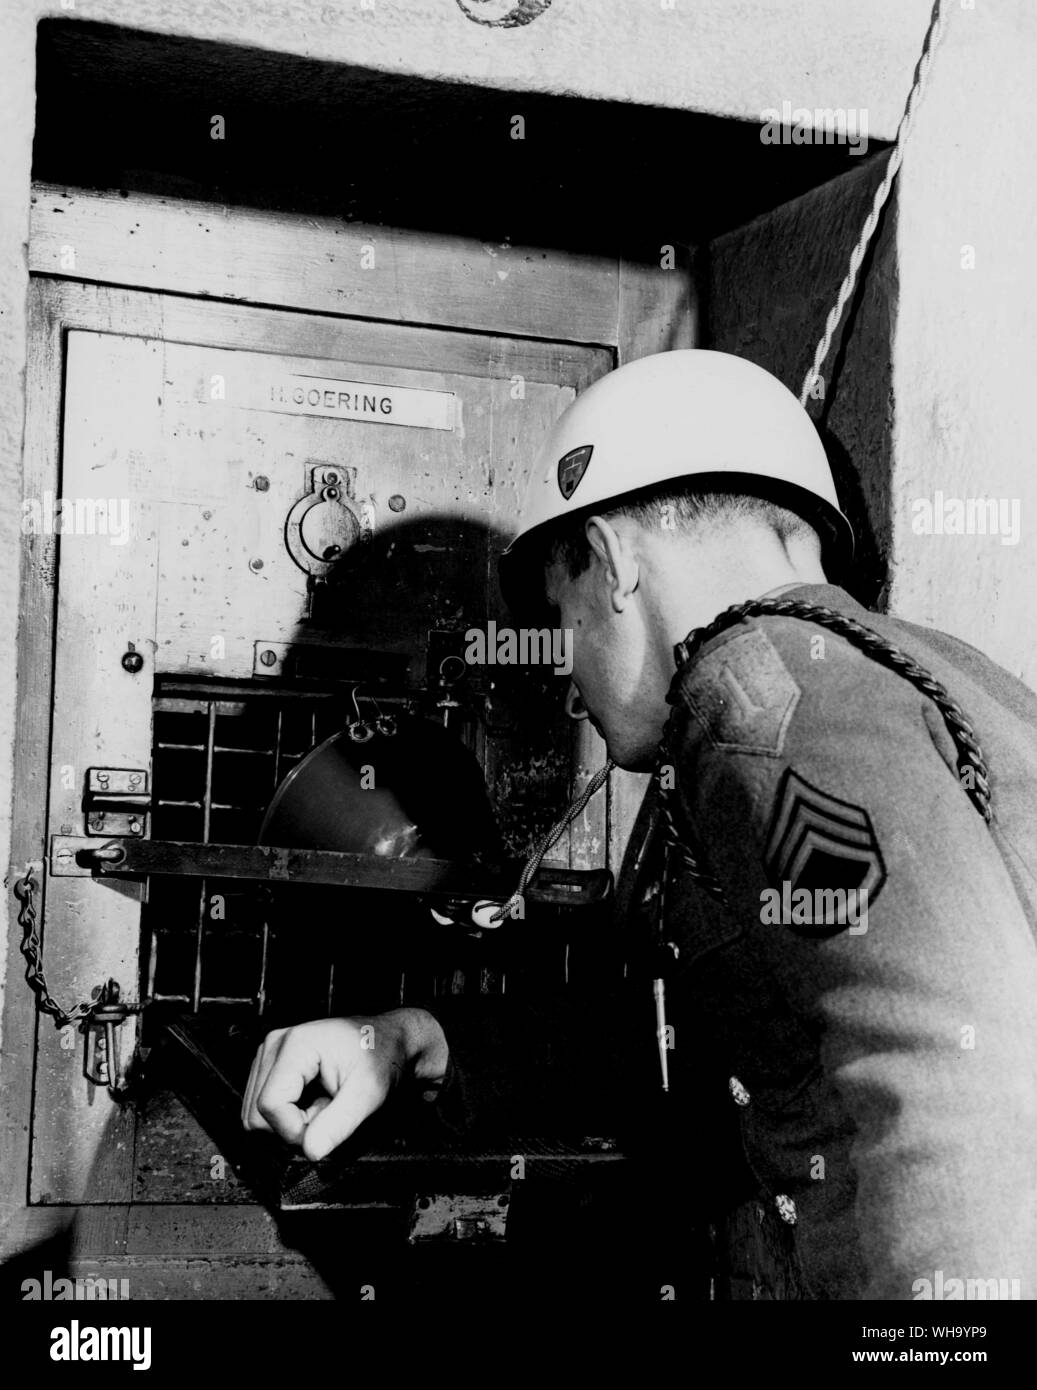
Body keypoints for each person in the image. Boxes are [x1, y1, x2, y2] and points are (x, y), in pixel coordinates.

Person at [243, 349, 1037, 1300]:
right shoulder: (939, 681)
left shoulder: (762, 711)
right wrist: (413, 1040)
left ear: (614, 562)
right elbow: (706, 1042)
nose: (569, 679)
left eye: (559, 609)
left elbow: (956, 1088)